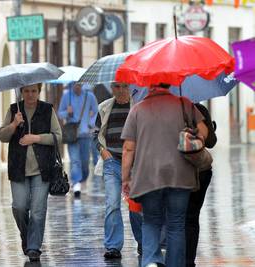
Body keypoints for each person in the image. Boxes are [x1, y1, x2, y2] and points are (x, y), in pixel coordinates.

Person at [121, 84, 208, 267]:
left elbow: (128, 148)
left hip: (148, 177)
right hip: (180, 176)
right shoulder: (184, 104)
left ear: (149, 85)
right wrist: (195, 138)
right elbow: (204, 131)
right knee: (176, 224)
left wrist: (126, 178)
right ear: (170, 83)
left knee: (151, 221)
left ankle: (152, 261)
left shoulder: (137, 109)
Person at [0, 83, 62, 262]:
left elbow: (58, 136)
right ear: (21, 92)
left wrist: (36, 138)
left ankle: (33, 247)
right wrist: (14, 124)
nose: (30, 94)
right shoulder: (13, 110)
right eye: (27, 91)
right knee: (19, 207)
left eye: (34, 91)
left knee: (37, 211)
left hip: (42, 169)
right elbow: (2, 136)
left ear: (38, 92)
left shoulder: (47, 110)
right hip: (18, 168)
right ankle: (26, 237)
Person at [93, 82, 142, 259]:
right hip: (112, 162)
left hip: (135, 163)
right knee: (112, 203)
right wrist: (103, 151)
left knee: (135, 204)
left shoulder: (138, 107)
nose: (120, 90)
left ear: (129, 87)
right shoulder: (104, 107)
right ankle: (113, 246)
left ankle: (143, 242)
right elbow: (96, 134)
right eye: (116, 87)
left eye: (124, 86)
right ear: (111, 88)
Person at [185, 103, 217, 267]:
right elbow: (211, 141)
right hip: (201, 170)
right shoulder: (198, 110)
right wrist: (210, 128)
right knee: (191, 217)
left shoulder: (163, 110)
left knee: (176, 218)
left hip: (175, 172)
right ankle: (188, 261)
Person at [58, 83, 98, 197]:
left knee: (85, 162)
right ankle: (76, 183)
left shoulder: (89, 96)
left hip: (86, 134)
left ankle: (82, 179)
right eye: (75, 84)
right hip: (72, 135)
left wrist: (91, 123)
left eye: (79, 84)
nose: (77, 86)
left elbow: (96, 111)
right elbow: (60, 114)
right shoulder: (67, 96)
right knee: (75, 160)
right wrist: (67, 112)